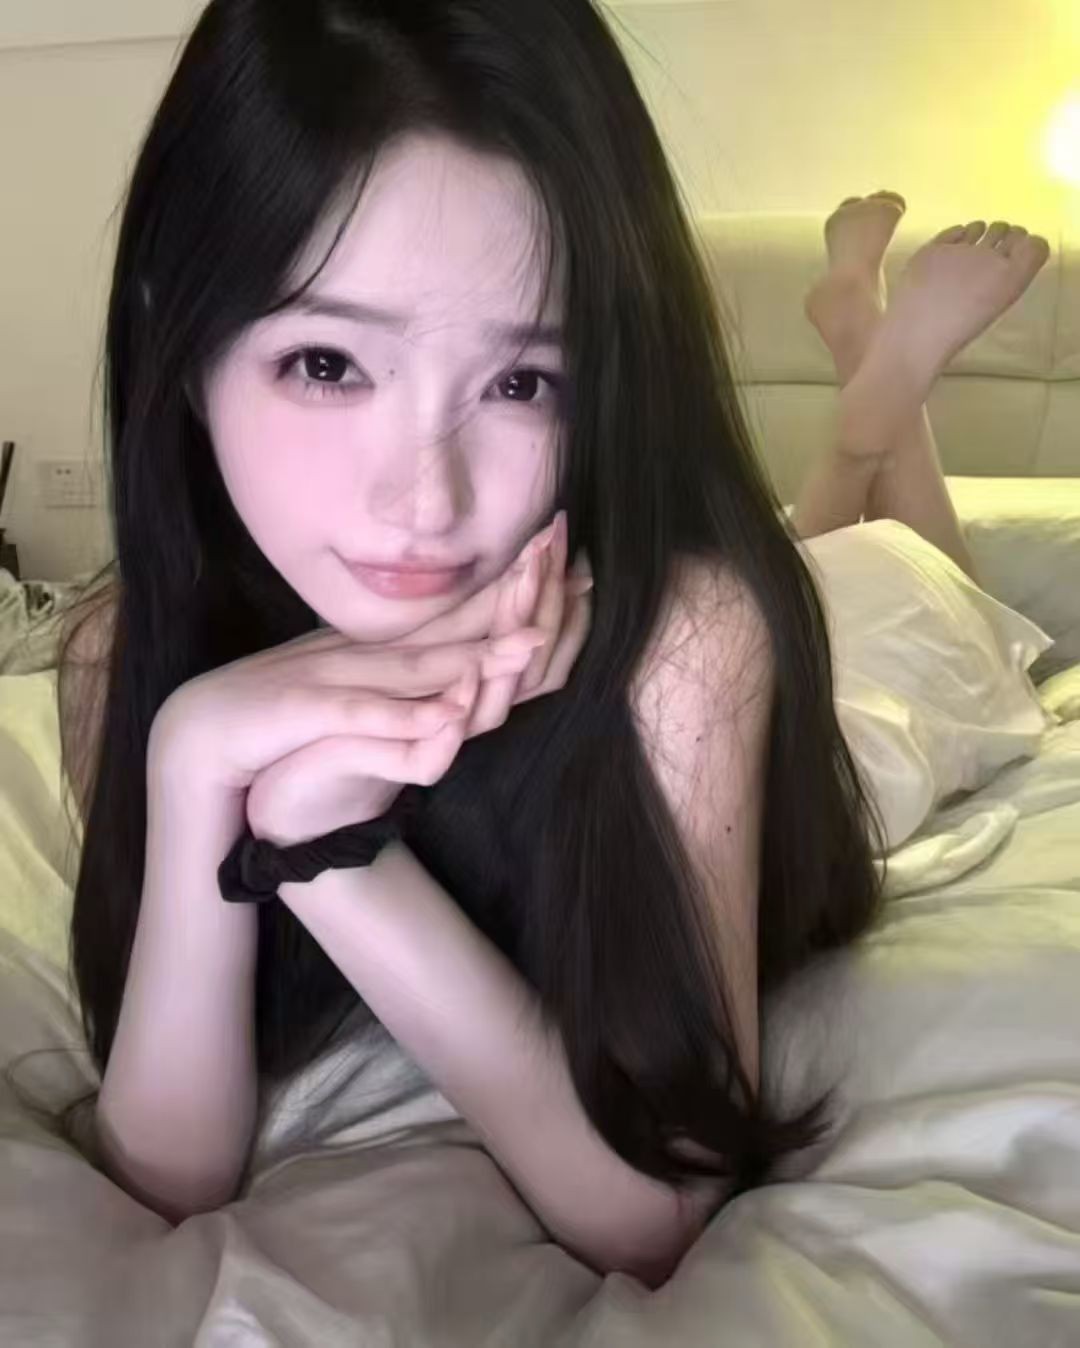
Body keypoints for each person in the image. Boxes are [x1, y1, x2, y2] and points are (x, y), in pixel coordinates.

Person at [24, 0, 1049, 1290]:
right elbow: (169, 1176)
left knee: (923, 584)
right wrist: (192, 769)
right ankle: (862, 367)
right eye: (328, 363)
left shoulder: (689, 640)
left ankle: (881, 400)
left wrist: (321, 849)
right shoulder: (127, 652)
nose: (424, 502)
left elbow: (654, 1209)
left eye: (522, 383)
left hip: (858, 677)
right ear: (181, 342)